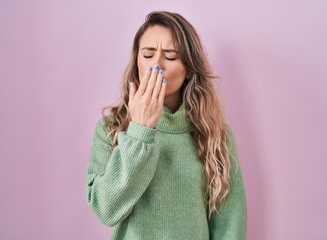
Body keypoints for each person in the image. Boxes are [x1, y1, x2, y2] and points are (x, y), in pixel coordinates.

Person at [85, 10, 247, 240]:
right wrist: (139, 132)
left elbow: (230, 224)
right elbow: (106, 210)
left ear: (189, 67)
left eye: (170, 57)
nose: (156, 66)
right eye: (148, 54)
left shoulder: (214, 134)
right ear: (136, 61)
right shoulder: (110, 128)